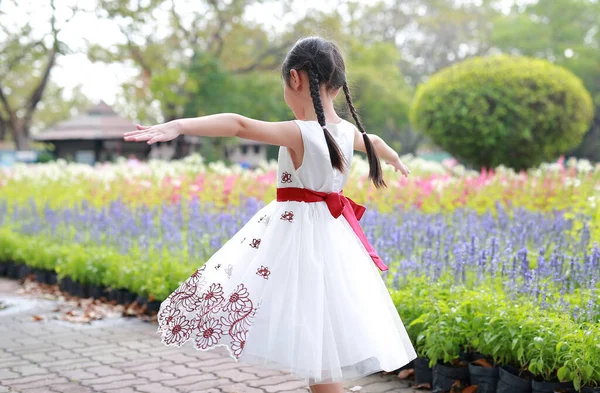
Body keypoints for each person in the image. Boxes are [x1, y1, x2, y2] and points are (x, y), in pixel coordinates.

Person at [124, 36, 416, 393]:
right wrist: (394, 158)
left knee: (310, 329)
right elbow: (377, 143)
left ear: (295, 79)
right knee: (320, 327)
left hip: (296, 236)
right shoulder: (347, 132)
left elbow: (238, 125)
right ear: (337, 87)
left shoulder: (300, 132)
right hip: (332, 235)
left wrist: (180, 126)